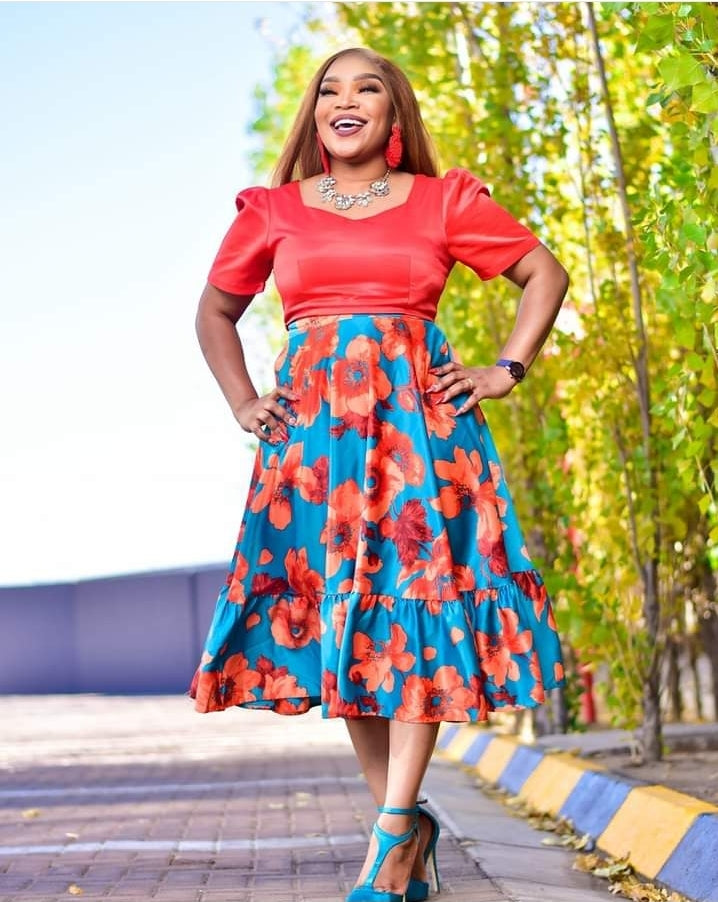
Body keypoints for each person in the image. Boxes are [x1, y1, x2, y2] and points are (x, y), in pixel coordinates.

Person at [190, 46, 569, 902]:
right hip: (314, 449)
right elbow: (215, 309)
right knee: (347, 630)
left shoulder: (445, 202)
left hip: (422, 441)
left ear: (396, 118)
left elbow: (542, 272)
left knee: (416, 618)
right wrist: (244, 402)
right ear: (315, 116)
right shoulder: (273, 211)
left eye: (369, 89)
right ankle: (405, 830)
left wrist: (506, 369)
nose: (346, 101)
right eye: (331, 90)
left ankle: (393, 835)